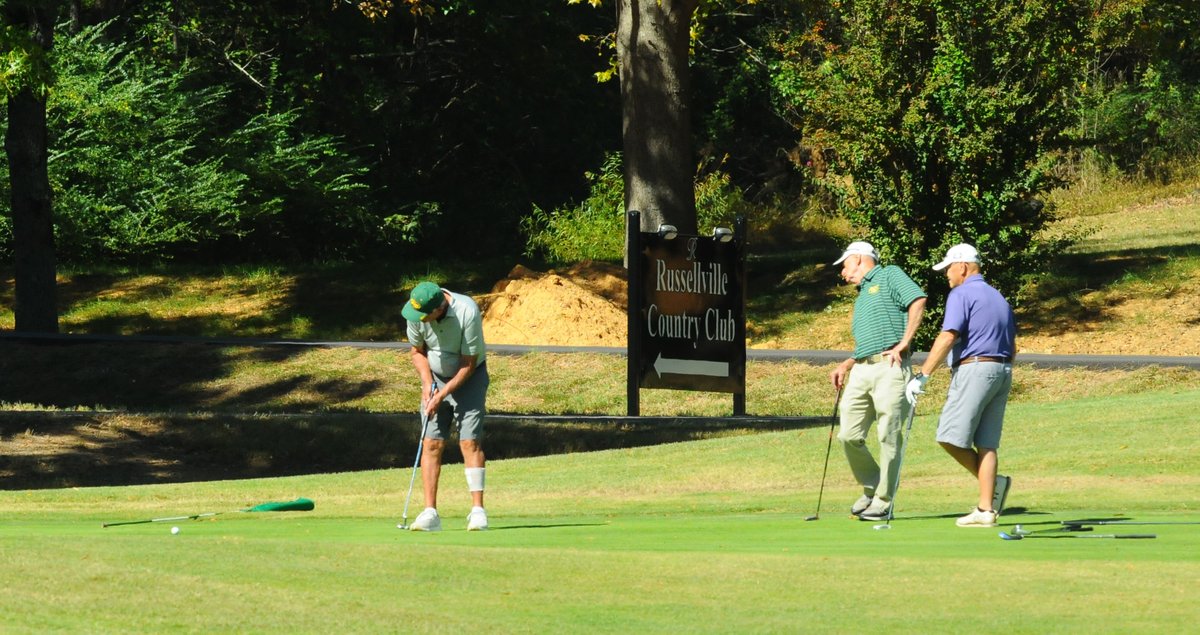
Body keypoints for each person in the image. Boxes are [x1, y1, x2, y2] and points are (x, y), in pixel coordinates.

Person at [905, 243, 1016, 528]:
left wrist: (923, 376)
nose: (947, 275)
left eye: (948, 269)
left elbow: (948, 335)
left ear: (963, 266)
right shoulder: (997, 296)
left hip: (975, 368)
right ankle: (985, 507)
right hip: (1002, 370)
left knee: (949, 436)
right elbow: (1013, 346)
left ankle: (990, 490)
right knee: (987, 444)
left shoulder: (961, 293)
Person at [829, 241, 927, 521]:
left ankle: (883, 501)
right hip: (862, 369)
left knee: (888, 435)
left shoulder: (889, 274)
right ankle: (873, 483)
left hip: (890, 368)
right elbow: (868, 342)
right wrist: (847, 363)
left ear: (859, 259)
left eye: (845, 266)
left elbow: (918, 300)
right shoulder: (863, 296)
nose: (843, 274)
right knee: (848, 434)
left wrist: (904, 343)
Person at [402, 281, 490, 531]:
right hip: (435, 378)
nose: (419, 318)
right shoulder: (416, 311)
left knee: (469, 442)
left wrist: (442, 395)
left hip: (469, 376)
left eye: (424, 315)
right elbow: (417, 351)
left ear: (439, 309)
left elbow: (469, 363)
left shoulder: (466, 310)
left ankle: (477, 511)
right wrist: (427, 383)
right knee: (431, 443)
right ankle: (430, 513)